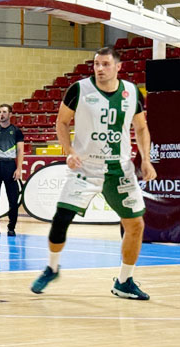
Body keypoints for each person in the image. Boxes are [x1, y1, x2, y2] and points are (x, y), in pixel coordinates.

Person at [31, 46, 156, 300]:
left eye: (105, 64)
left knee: (136, 225)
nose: (100, 69)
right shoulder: (79, 89)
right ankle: (52, 268)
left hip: (118, 169)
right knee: (61, 218)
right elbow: (61, 122)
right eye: (97, 64)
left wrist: (146, 159)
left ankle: (124, 281)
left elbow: (141, 128)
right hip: (85, 167)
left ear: (118, 67)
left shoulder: (132, 92)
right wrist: (68, 151)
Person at [0, 104, 24, 236]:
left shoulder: (17, 131)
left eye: (4, 112)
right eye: (0, 111)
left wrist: (19, 169)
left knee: (13, 199)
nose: (1, 114)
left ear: (10, 114)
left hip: (10, 166)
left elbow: (20, 151)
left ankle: (11, 227)